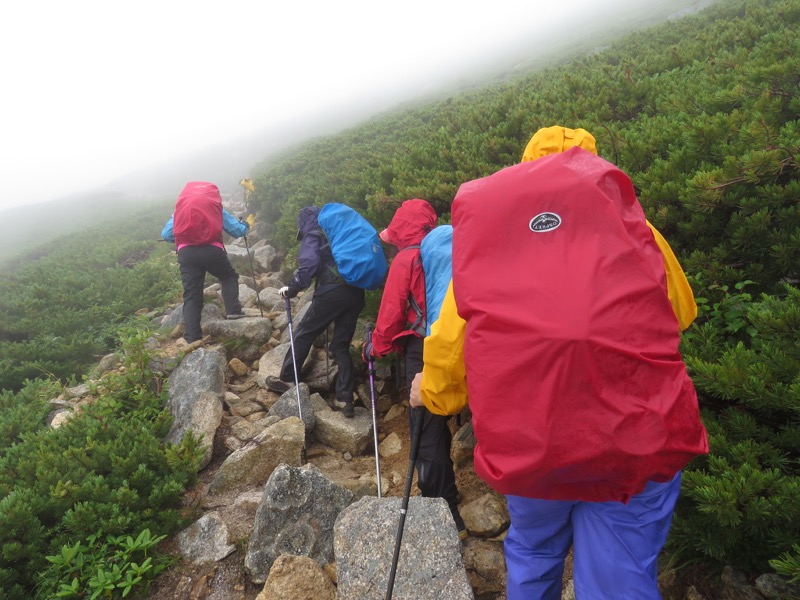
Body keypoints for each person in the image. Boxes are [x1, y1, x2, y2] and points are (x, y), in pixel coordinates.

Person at [410, 126, 708, 599]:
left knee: (534, 551)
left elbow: (455, 338)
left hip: (532, 445)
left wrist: (432, 392)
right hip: (633, 439)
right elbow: (680, 313)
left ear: (524, 167)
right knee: (620, 576)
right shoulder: (635, 227)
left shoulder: (493, 240)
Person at [361, 199, 466, 537]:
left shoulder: (407, 258)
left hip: (423, 349)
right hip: (463, 343)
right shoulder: (453, 246)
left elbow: (391, 314)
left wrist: (374, 349)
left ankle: (443, 508)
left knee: (426, 431)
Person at [265, 205, 365, 418]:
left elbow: (308, 266)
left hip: (331, 293)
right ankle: (344, 398)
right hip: (356, 292)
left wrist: (291, 289)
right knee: (340, 345)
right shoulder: (338, 236)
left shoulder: (313, 235)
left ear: (303, 224)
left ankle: (287, 378)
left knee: (305, 332)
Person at [161, 181, 253, 344]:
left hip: (187, 254)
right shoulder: (215, 207)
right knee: (228, 277)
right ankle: (233, 310)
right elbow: (236, 230)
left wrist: (186, 239)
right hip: (212, 251)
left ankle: (192, 338)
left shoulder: (179, 212)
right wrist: (245, 226)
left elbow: (167, 234)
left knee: (192, 294)